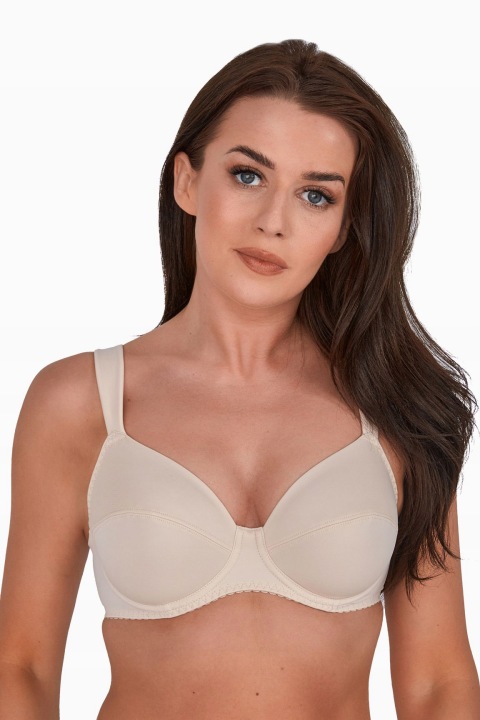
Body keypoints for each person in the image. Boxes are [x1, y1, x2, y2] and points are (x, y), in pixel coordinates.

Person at [0, 38, 478, 720]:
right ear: (187, 182)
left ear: (345, 228)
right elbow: (20, 665)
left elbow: (438, 684)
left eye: (315, 195)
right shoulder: (82, 403)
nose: (273, 222)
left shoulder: (397, 410)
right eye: (249, 176)